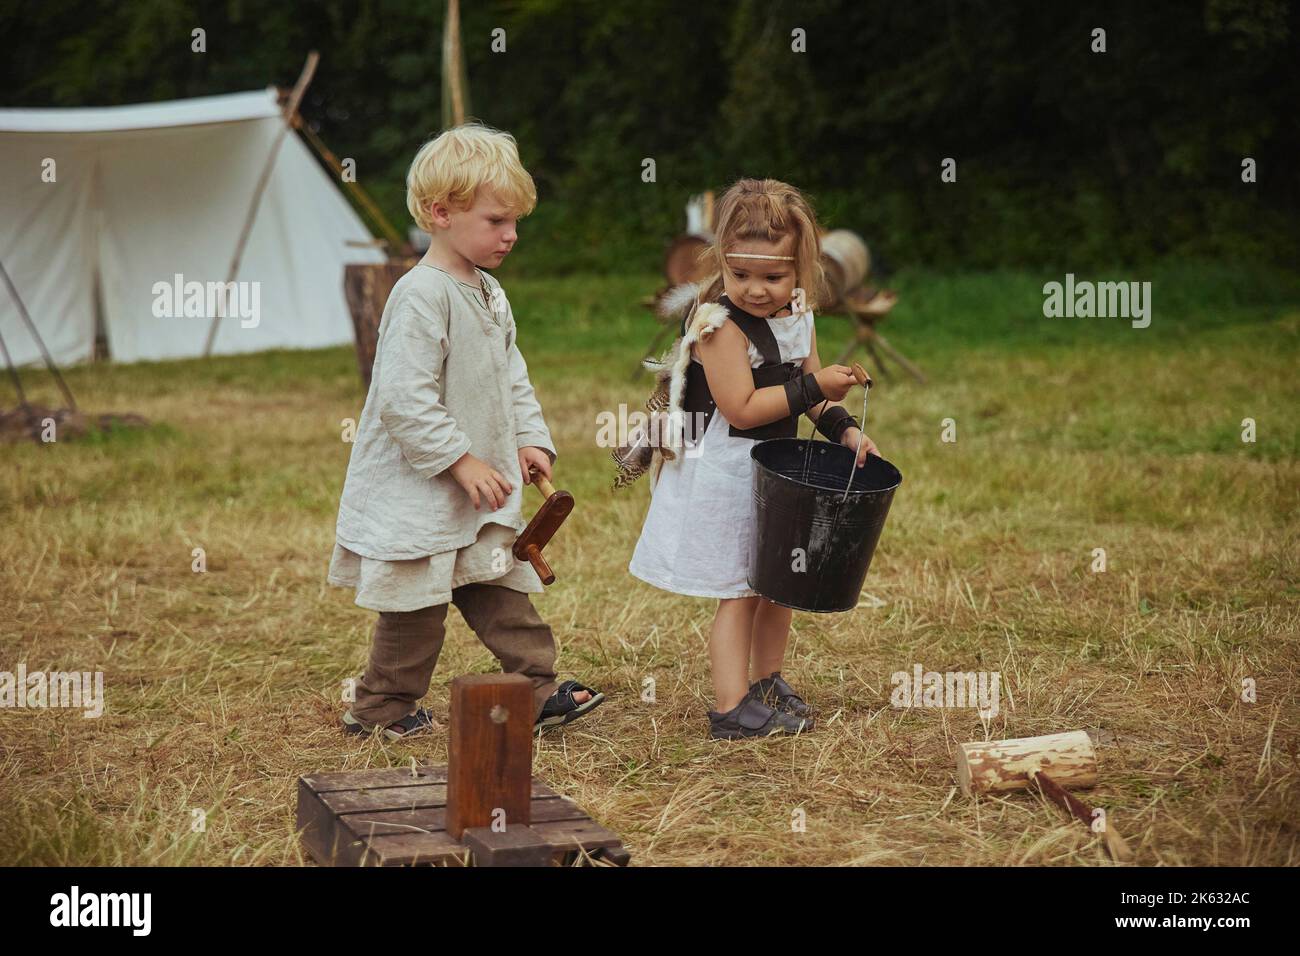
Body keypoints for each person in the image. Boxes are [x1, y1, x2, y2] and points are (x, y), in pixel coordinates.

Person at [328, 123, 602, 741]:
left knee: (500, 580)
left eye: (515, 223)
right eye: (496, 221)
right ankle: (381, 710)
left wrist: (529, 439)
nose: (510, 235)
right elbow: (402, 399)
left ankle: (536, 688)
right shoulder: (421, 295)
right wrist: (460, 460)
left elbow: (511, 375)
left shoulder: (489, 291)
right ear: (440, 213)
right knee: (416, 610)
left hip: (481, 485)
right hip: (425, 487)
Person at [626, 178, 878, 740]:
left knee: (777, 581)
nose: (757, 290)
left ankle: (766, 680)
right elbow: (741, 408)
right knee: (739, 590)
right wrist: (816, 387)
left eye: (773, 277)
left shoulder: (800, 313)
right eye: (741, 276)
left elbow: (810, 394)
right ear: (721, 263)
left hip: (777, 468)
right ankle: (730, 706)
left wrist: (847, 432)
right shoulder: (719, 327)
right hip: (726, 472)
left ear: (802, 268)